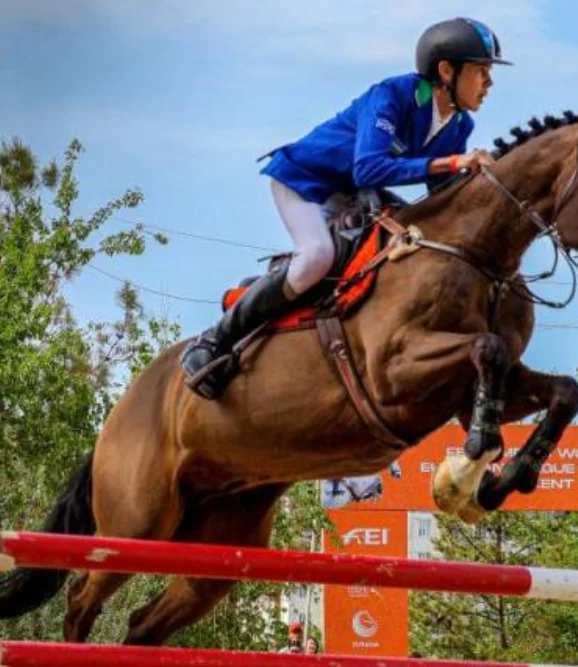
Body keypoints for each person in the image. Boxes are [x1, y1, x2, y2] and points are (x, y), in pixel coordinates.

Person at [180, 18, 510, 399]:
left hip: (356, 192)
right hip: (306, 181)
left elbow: (441, 196)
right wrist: (451, 163)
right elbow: (368, 166)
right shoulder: (392, 95)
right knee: (318, 256)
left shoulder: (458, 126)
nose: (489, 83)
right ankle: (214, 340)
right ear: (446, 70)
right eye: (481, 71)